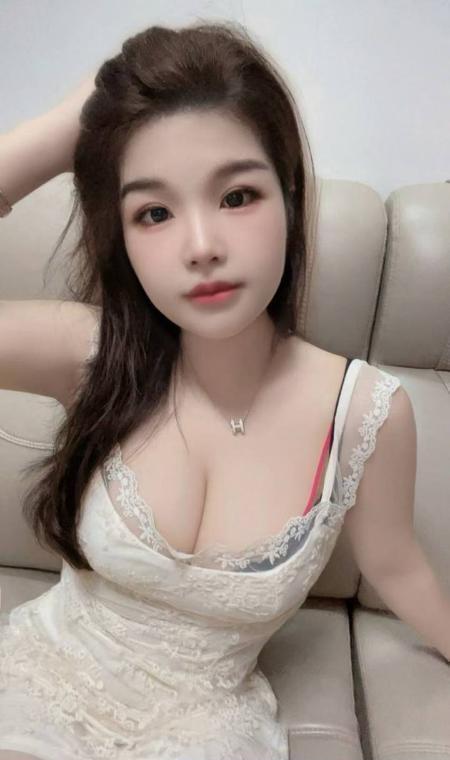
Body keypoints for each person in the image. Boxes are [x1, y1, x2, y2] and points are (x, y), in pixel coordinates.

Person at [0, 19, 414, 760]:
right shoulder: (89, 352)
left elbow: (398, 566)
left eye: (237, 195)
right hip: (30, 693)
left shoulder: (364, 412)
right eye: (153, 212)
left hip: (203, 736)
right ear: (121, 237)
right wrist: (63, 131)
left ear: (291, 196)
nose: (201, 247)